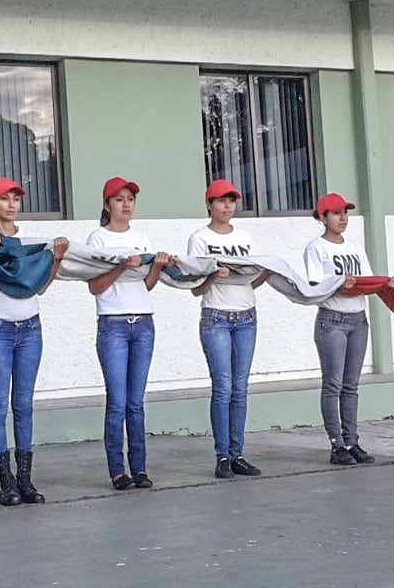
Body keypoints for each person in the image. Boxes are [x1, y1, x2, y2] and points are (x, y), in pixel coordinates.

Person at [0, 178, 68, 506]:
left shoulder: (30, 244)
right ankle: (6, 482)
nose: (12, 204)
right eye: (4, 199)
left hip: (30, 328)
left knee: (24, 405)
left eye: (16, 198)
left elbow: (40, 287)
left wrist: (55, 259)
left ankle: (26, 479)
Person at [87, 177, 173, 490]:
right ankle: (116, 470)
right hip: (113, 323)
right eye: (119, 199)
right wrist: (121, 267)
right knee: (118, 401)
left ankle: (140, 468)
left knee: (136, 402)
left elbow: (146, 285)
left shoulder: (142, 237)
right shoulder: (97, 239)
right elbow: (95, 286)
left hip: (143, 322)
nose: (126, 204)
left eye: (130, 199)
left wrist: (158, 266)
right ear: (107, 205)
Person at [303, 193, 394, 466]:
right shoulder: (316, 248)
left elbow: (366, 279)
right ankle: (336, 444)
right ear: (322, 217)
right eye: (335, 213)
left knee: (351, 385)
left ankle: (352, 440)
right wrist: (338, 283)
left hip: (357, 319)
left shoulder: (354, 245)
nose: (342, 218)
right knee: (332, 384)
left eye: (345, 212)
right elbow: (314, 287)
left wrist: (385, 284)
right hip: (332, 320)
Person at [187, 179, 269, 479]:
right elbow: (195, 288)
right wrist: (213, 275)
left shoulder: (246, 237)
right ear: (209, 204)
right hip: (216, 318)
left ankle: (239, 453)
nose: (227, 206)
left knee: (240, 388)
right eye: (221, 200)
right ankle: (222, 455)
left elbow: (253, 280)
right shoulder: (199, 238)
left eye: (231, 200)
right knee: (222, 388)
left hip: (246, 316)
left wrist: (265, 272)